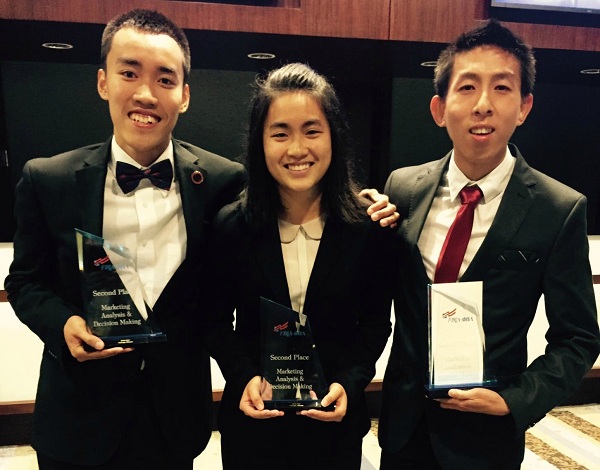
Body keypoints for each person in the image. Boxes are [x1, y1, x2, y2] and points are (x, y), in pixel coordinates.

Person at [5, 9, 398, 469]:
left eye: (165, 78)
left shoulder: (219, 183)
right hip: (78, 416)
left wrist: (366, 202)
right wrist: (64, 324)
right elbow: (26, 283)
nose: (147, 93)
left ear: (185, 94)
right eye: (129, 72)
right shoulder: (48, 180)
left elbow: (367, 315)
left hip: (175, 419)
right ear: (103, 82)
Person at [378, 19, 600, 469]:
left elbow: (577, 339)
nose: (483, 105)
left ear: (524, 107)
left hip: (486, 437)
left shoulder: (558, 209)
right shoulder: (402, 188)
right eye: (467, 88)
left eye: (502, 88)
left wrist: (515, 399)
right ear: (439, 109)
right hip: (403, 426)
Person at [202, 63, 395, 470]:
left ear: (333, 137)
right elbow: (216, 322)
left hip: (334, 423)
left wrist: (350, 382)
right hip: (256, 426)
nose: (296, 149)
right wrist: (243, 378)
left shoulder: (366, 227)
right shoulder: (231, 226)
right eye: (280, 133)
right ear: (260, 142)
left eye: (312, 130)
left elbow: (376, 323)